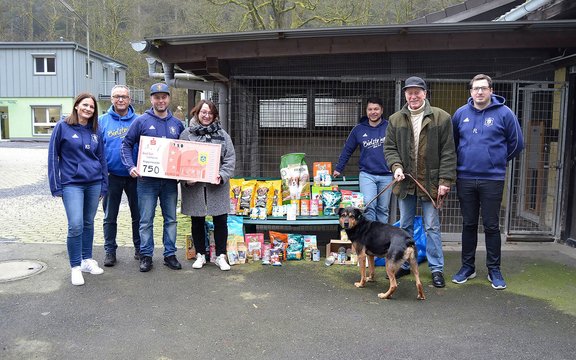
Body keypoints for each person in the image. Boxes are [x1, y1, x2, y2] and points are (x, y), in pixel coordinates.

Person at [451, 74, 524, 290]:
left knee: (491, 225)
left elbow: (517, 143)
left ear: (491, 90)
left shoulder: (504, 113)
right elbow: (454, 143)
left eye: (483, 88)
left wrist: (497, 161)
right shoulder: (460, 114)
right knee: (468, 224)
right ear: (470, 91)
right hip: (464, 177)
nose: (479, 92)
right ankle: (467, 267)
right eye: (475, 88)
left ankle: (494, 270)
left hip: (492, 179)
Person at [384, 76, 456, 288]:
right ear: (405, 94)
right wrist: (396, 167)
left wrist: (445, 180)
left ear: (425, 93)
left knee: (432, 226)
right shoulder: (395, 119)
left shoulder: (441, 118)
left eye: (417, 92)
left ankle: (436, 269)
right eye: (409, 92)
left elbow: (449, 152)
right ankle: (405, 264)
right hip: (405, 182)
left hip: (431, 182)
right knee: (404, 226)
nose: (413, 96)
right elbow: (389, 148)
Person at [120, 83, 185, 272]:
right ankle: (146, 255)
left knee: (171, 219)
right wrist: (130, 166)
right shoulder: (140, 121)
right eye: (157, 97)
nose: (161, 100)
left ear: (168, 99)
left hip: (169, 182)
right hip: (146, 181)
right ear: (151, 99)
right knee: (146, 220)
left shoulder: (177, 124)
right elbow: (126, 145)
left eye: (164, 97)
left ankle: (170, 254)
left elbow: (185, 151)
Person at [48, 93, 108, 286]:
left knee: (88, 222)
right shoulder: (62, 127)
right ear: (76, 106)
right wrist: (55, 185)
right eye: (85, 105)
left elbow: (102, 159)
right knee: (75, 224)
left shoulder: (95, 130)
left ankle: (86, 260)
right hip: (71, 184)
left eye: (91, 107)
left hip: (93, 183)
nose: (88, 109)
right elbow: (53, 157)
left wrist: (104, 186)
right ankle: (75, 266)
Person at [180, 100, 236, 271]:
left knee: (221, 220)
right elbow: (180, 160)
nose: (206, 116)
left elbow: (230, 159)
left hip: (216, 186)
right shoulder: (186, 134)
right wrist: (187, 179)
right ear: (197, 113)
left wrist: (222, 176)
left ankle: (220, 256)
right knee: (197, 220)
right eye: (203, 112)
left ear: (214, 115)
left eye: (210, 113)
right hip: (195, 187)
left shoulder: (223, 135)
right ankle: (200, 254)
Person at [98, 85, 141, 266]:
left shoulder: (139, 120)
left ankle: (140, 249)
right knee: (110, 216)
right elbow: (97, 148)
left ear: (130, 99)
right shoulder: (101, 121)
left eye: (124, 96)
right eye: (117, 96)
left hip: (136, 176)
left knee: (139, 215)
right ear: (111, 99)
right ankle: (110, 251)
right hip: (112, 175)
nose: (120, 100)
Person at [333, 97, 393, 223]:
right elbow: (347, 150)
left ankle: (381, 239)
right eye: (370, 109)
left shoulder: (389, 127)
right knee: (369, 207)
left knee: (383, 209)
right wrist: (339, 168)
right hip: (367, 175)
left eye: (376, 109)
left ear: (382, 110)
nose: (373, 112)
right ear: (366, 111)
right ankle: (370, 237)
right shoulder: (359, 129)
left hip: (387, 174)